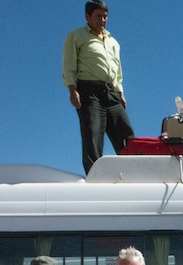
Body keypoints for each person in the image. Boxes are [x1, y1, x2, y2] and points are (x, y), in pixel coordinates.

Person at [62, 0, 135, 174]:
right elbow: (69, 65)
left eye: (105, 16)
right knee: (93, 136)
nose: (102, 20)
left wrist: (120, 92)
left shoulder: (113, 42)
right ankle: (95, 178)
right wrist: (72, 90)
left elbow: (117, 70)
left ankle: (133, 173)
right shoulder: (76, 36)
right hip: (88, 91)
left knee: (126, 133)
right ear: (87, 17)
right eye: (98, 16)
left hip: (111, 92)